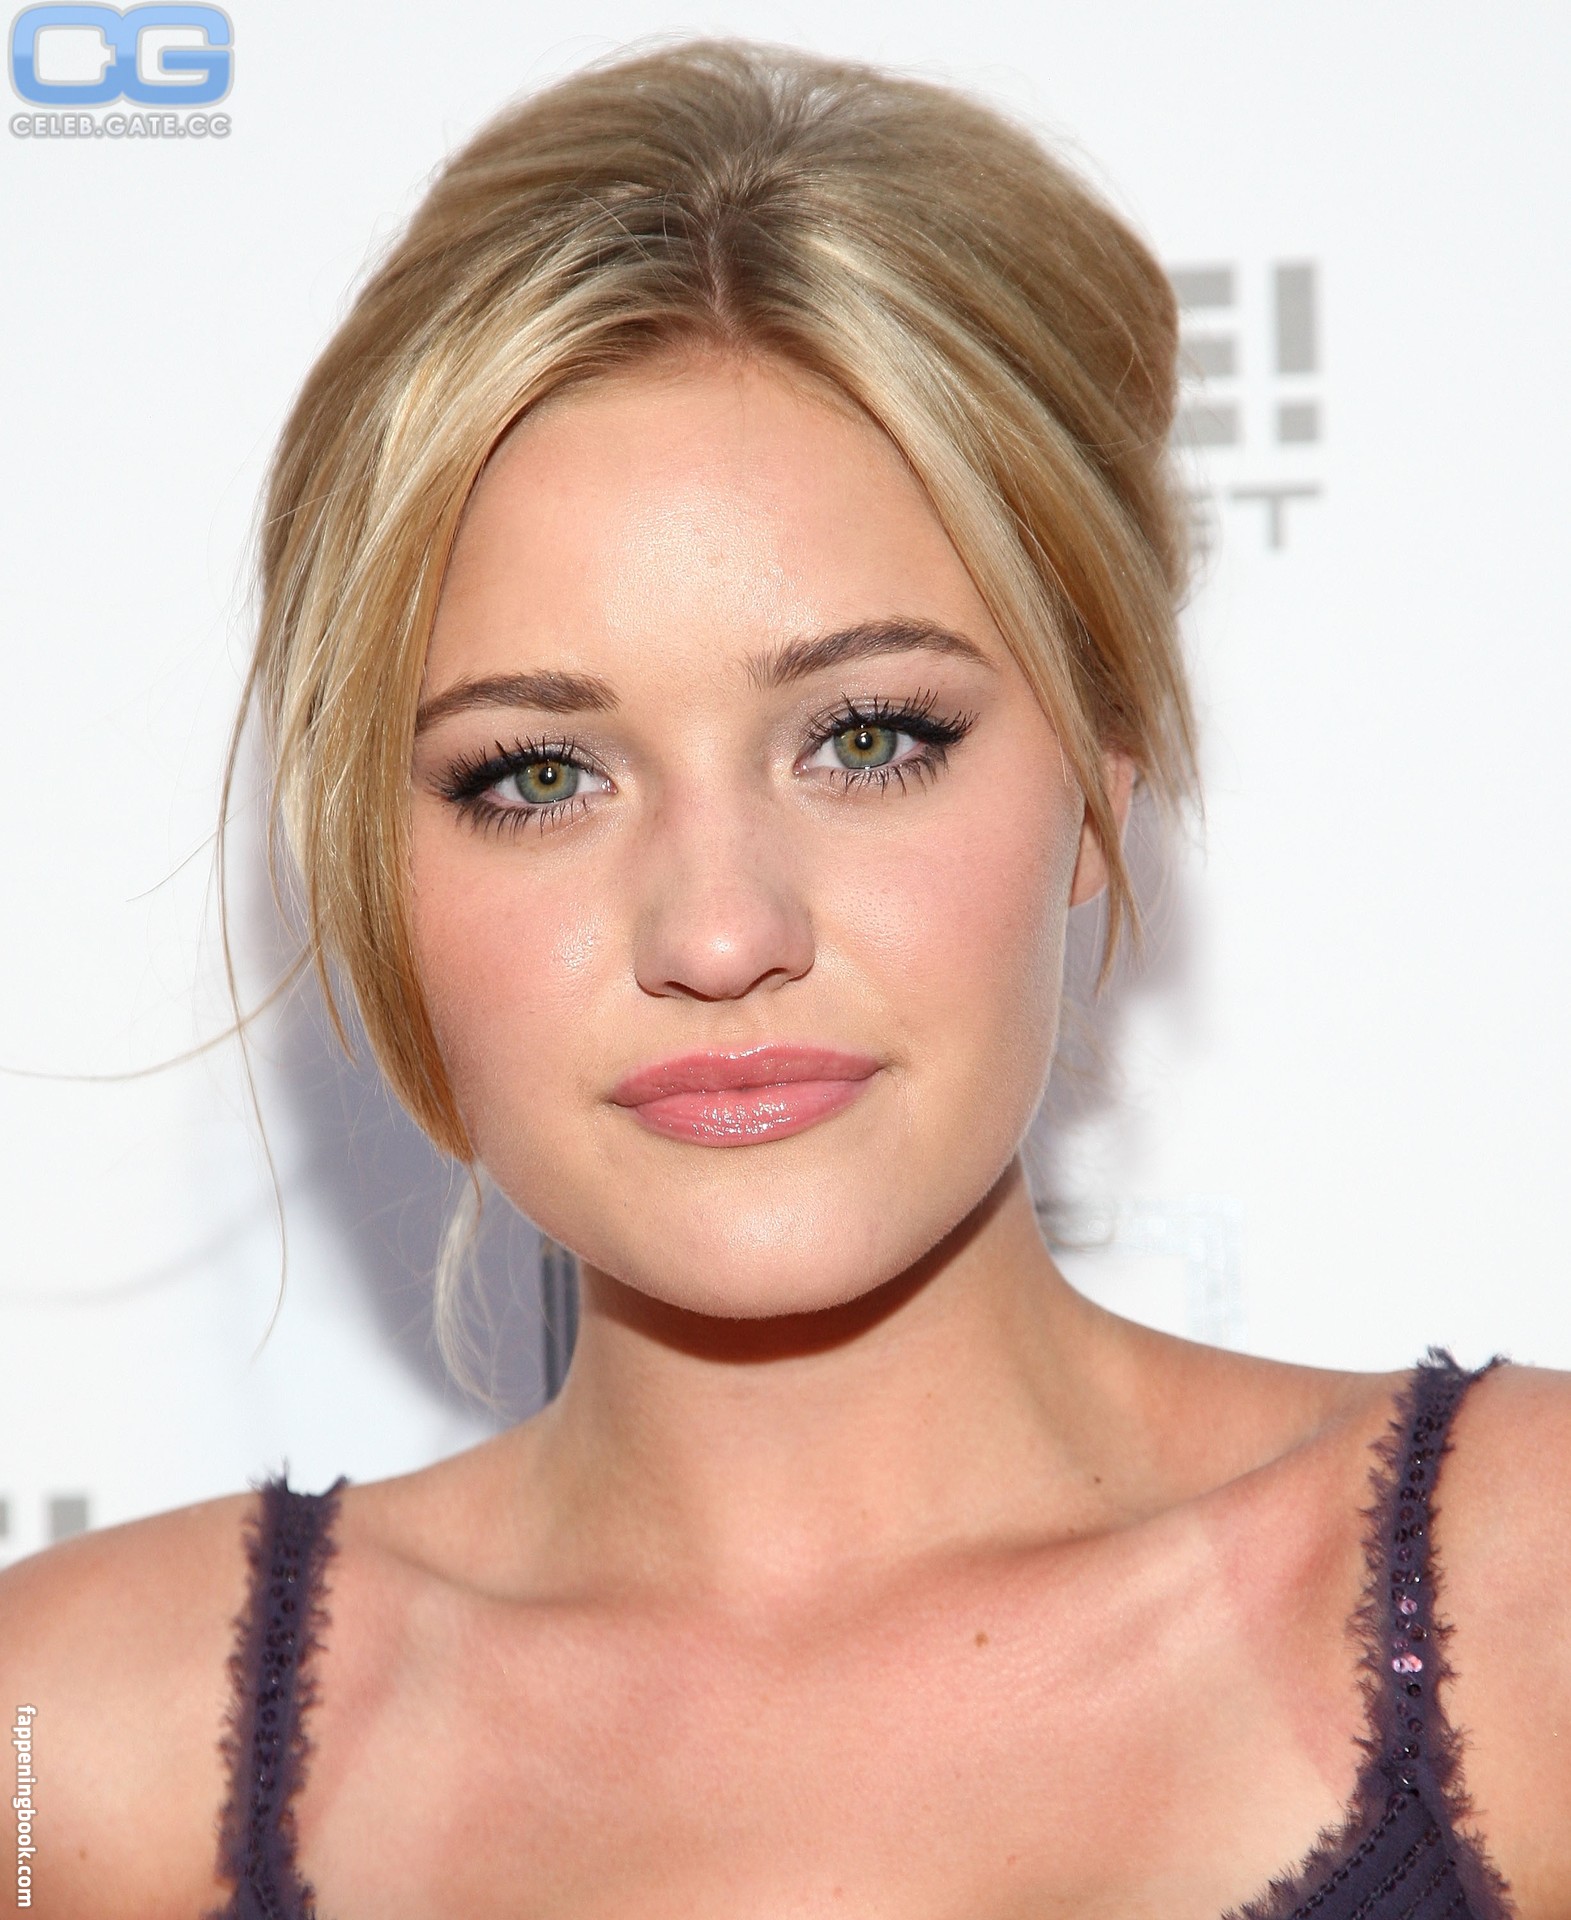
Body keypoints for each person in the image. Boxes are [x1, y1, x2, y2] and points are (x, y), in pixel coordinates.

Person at [3, 36, 1568, 1920]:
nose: (721, 934)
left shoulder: (1538, 1612)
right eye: (539, 776)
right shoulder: (72, 1754)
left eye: (869, 737)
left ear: (1097, 783)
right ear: (376, 867)